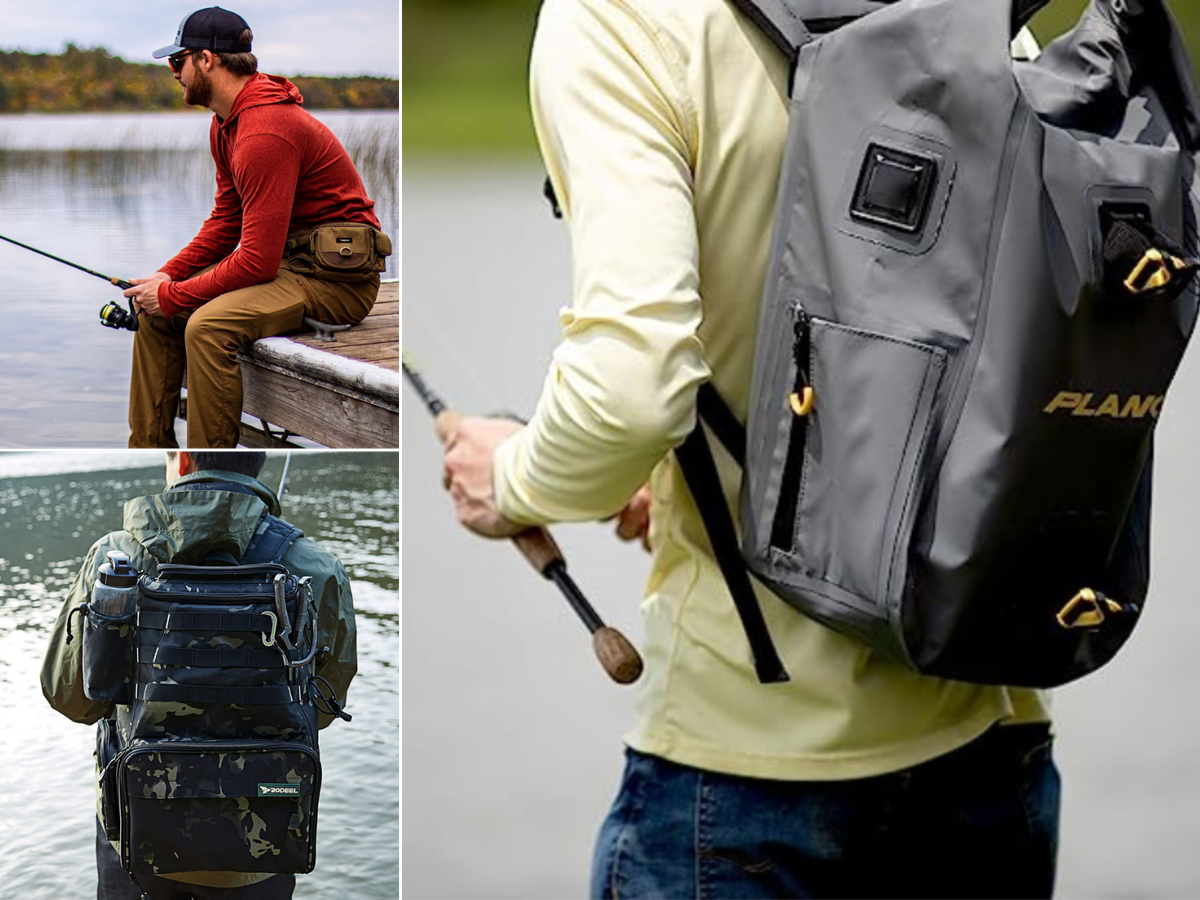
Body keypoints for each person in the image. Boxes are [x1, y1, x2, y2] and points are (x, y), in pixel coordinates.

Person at [441, 1, 1059, 897]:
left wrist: (510, 479)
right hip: (990, 739)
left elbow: (631, 392)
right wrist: (688, 476)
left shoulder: (614, 18)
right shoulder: (979, 6)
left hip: (743, 770)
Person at [41, 450, 357, 900]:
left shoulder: (113, 556)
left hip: (136, 829)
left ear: (184, 459)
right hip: (262, 838)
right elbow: (321, 711)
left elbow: (71, 698)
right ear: (258, 464)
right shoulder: (316, 566)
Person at [125, 7, 387, 450]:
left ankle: (211, 468)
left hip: (339, 284)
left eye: (177, 61)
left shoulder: (265, 132)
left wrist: (174, 294)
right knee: (154, 315)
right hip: (291, 269)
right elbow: (226, 223)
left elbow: (256, 262)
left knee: (207, 328)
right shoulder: (226, 124)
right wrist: (166, 277)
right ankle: (150, 453)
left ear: (207, 59)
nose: (174, 73)